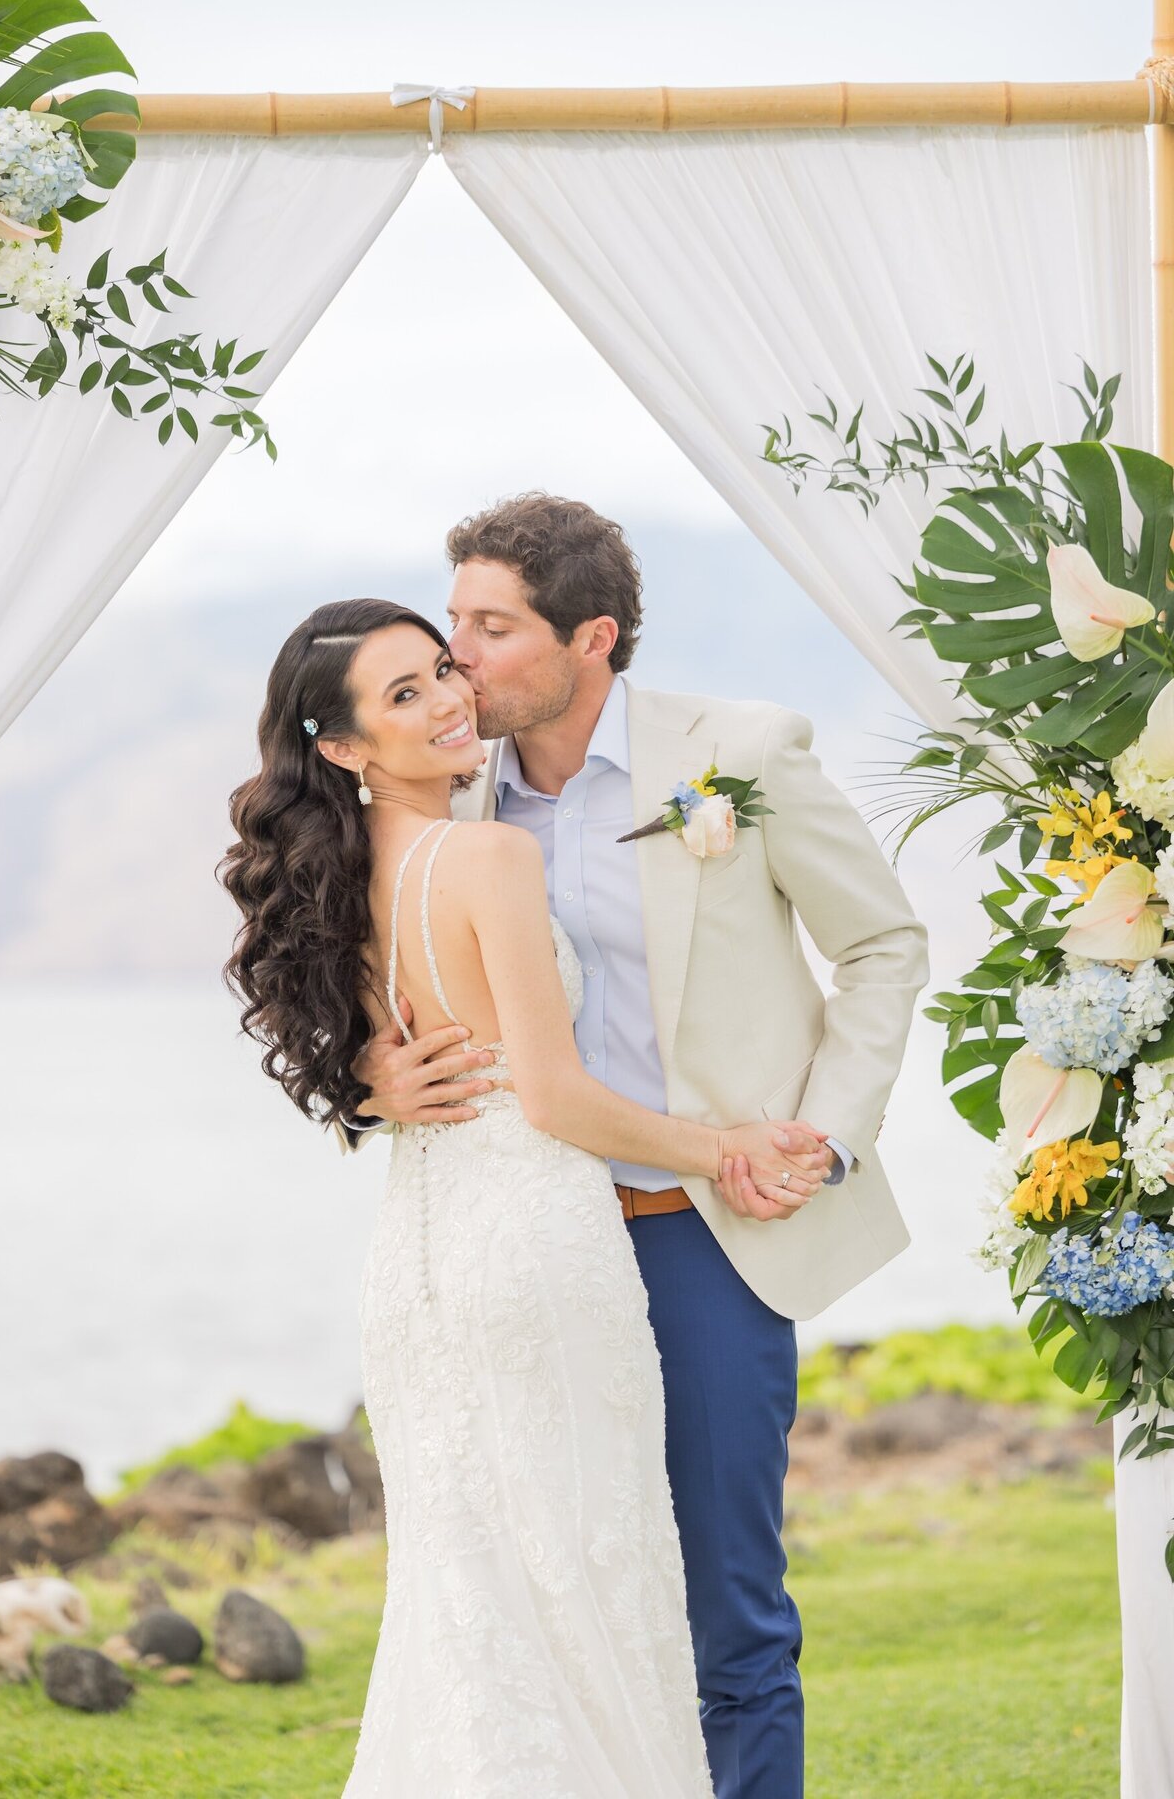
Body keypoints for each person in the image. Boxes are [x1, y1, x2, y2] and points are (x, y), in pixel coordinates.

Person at [334, 494, 931, 1799]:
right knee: (559, 1608)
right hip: (528, 1255)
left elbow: (883, 946)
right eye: (453, 629)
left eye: (489, 630)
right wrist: (369, 1072)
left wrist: (822, 1141)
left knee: (728, 1616)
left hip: (702, 1238)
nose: (459, 663)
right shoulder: (444, 788)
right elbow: (333, 967)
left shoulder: (742, 755)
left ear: (590, 636)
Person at [220, 593, 836, 1799]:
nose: (452, 699)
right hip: (540, 1249)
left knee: (471, 1609)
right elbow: (551, 1096)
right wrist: (726, 1149)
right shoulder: (487, 853)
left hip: (423, 1266)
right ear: (343, 749)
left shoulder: (340, 878)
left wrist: (364, 1073)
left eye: (444, 669)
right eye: (405, 697)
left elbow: (383, 1041)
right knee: (592, 1597)